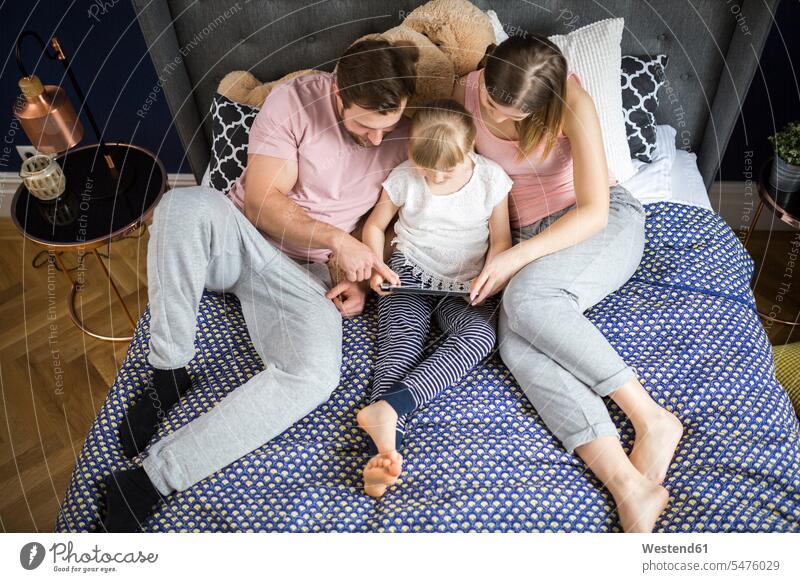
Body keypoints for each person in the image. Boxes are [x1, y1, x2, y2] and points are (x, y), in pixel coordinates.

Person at [101, 39, 419, 532]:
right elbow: (262, 205)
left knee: (315, 374)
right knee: (180, 208)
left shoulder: (406, 133)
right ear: (338, 95)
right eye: (365, 126)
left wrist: (354, 271)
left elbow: (389, 218)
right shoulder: (293, 102)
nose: (379, 140)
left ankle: (150, 479)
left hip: (306, 275)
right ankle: (168, 371)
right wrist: (339, 241)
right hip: (241, 237)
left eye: (388, 127)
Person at [452, 35, 684, 533]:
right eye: (494, 104)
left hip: (596, 222)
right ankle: (626, 482)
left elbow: (595, 211)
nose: (502, 120)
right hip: (524, 232)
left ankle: (650, 418)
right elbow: (477, 180)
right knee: (514, 341)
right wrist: (499, 248)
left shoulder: (572, 102)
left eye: (518, 115)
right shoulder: (463, 90)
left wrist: (516, 257)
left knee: (528, 299)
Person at [357, 99, 512, 497]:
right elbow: (376, 225)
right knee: (402, 345)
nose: (437, 179)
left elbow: (501, 240)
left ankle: (391, 408)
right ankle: (382, 450)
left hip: (465, 285)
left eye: (448, 170)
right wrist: (376, 265)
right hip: (408, 274)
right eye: (428, 171)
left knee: (481, 338)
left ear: (471, 147)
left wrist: (490, 280)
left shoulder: (492, 180)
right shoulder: (406, 177)